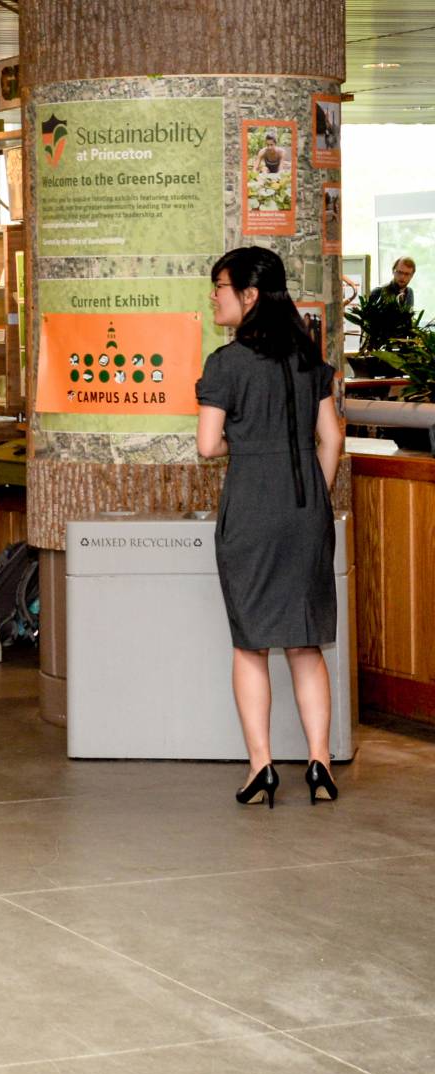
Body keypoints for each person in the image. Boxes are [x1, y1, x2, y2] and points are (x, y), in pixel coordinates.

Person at [195, 247, 344, 808]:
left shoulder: (226, 364)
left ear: (249, 296)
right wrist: (312, 494)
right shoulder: (310, 359)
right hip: (307, 510)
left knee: (251, 644)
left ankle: (261, 769)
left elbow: (208, 445)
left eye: (220, 287)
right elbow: (331, 441)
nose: (215, 296)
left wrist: (251, 443)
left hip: (252, 510)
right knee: (306, 643)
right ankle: (321, 764)